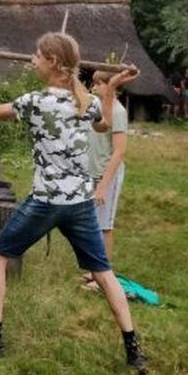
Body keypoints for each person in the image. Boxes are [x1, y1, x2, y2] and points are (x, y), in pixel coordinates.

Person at [0, 32, 147, 370]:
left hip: (46, 202)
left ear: (52, 62)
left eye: (37, 56)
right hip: (81, 202)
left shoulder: (35, 101)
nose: (32, 60)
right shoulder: (87, 102)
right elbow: (103, 126)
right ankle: (133, 349)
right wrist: (111, 89)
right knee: (103, 272)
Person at [81, 70, 129, 291]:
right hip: (91, 174)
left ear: (112, 86)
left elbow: (119, 152)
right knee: (92, 225)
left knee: (104, 227)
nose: (94, 86)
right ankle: (95, 272)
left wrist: (103, 185)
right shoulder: (96, 108)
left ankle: (104, 278)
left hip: (107, 176)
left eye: (99, 83)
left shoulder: (118, 112)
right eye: (94, 82)